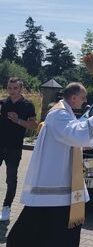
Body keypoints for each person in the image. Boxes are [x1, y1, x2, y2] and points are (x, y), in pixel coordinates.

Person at [1, 82, 93, 247]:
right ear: (73, 97)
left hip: (62, 180)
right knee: (52, 228)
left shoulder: (65, 112)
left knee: (56, 227)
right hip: (54, 183)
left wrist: (85, 137)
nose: (85, 100)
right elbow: (74, 134)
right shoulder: (58, 114)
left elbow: (75, 134)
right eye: (83, 97)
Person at [0, 77, 37, 221]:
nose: (12, 91)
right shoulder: (3, 103)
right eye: (10, 88)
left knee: (11, 179)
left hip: (14, 148)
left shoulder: (27, 105)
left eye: (15, 88)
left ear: (21, 89)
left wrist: (18, 121)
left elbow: (33, 125)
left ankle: (6, 207)